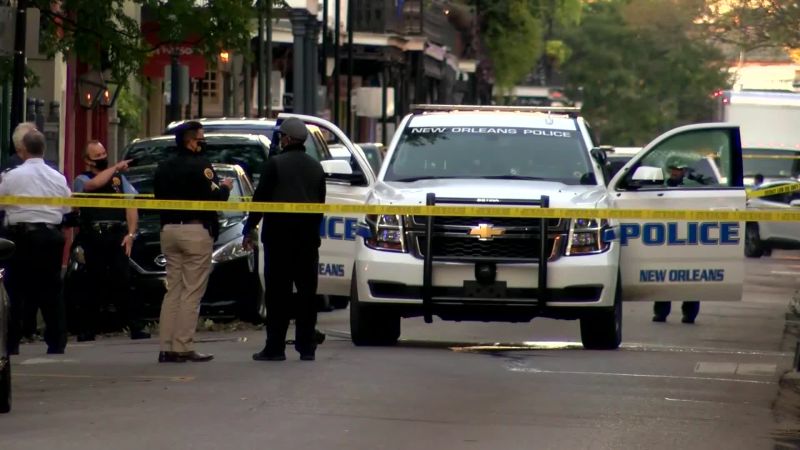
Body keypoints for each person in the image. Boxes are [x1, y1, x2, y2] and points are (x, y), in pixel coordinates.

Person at [244, 118, 326, 362]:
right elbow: (320, 206)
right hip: (307, 241)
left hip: (278, 240)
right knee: (306, 294)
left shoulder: (275, 164)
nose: (280, 141)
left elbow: (259, 201)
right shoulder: (316, 167)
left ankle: (275, 347)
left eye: (281, 137)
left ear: (288, 139)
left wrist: (249, 228)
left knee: (277, 295)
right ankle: (306, 346)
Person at [153, 121, 232, 363]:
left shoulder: (163, 167)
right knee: (191, 291)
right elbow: (215, 197)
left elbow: (157, 195)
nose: (203, 142)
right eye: (200, 138)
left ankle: (166, 346)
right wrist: (225, 187)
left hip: (168, 230)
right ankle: (182, 346)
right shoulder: (202, 166)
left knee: (173, 289)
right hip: (195, 231)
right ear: (190, 141)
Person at [0, 129, 71, 355]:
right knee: (51, 290)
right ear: (43, 149)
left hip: (20, 237)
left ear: (22, 150)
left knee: (15, 290)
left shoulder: (12, 176)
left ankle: (11, 344)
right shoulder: (58, 177)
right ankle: (57, 342)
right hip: (50, 237)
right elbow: (67, 207)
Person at [73, 140, 150, 341]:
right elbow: (93, 185)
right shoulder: (82, 179)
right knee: (92, 283)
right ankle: (88, 329)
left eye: (103, 154)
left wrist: (131, 235)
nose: (102, 159)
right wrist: (116, 167)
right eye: (97, 156)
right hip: (94, 237)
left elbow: (130, 206)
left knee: (124, 282)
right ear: (87, 161)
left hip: (117, 236)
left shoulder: (119, 179)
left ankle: (135, 327)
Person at [653, 158, 699, 324]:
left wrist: (696, 178)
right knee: (664, 275)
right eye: (672, 168)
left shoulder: (693, 185)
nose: (674, 171)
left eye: (678, 169)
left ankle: (690, 313)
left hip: (689, 235)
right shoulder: (662, 185)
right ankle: (661, 312)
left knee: (690, 277)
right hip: (667, 234)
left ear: (684, 171)